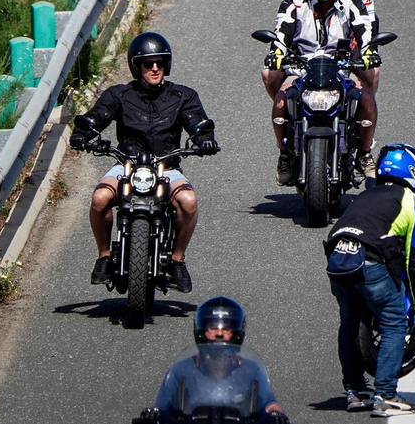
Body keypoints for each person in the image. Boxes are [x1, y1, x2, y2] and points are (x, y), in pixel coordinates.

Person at [71, 32, 216, 293]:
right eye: (148, 63)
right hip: (126, 165)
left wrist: (204, 139)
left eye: (160, 63)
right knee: (101, 197)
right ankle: (104, 256)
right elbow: (96, 118)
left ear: (167, 65)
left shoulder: (183, 96)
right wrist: (82, 135)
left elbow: (198, 123)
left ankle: (178, 260)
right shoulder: (118, 95)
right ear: (136, 66)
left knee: (189, 201)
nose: (155, 68)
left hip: (166, 167)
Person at [325, 143, 415, 416]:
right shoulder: (413, 202)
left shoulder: (365, 195)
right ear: (413, 171)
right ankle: (385, 395)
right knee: (395, 323)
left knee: (348, 323)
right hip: (369, 261)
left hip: (338, 258)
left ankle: (355, 391)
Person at [263, 0, 379, 184]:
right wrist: (277, 52)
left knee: (366, 99)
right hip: (303, 67)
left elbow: (364, 29)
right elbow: (281, 30)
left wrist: (368, 52)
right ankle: (284, 154)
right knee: (280, 101)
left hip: (340, 67)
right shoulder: (293, 1)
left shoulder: (352, 1)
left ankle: (365, 153)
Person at [137, 297, 286, 424]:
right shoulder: (181, 369)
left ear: (237, 332)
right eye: (212, 328)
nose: (219, 333)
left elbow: (270, 404)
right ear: (201, 330)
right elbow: (162, 406)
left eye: (226, 328)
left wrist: (277, 416)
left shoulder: (252, 369)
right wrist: (153, 415)